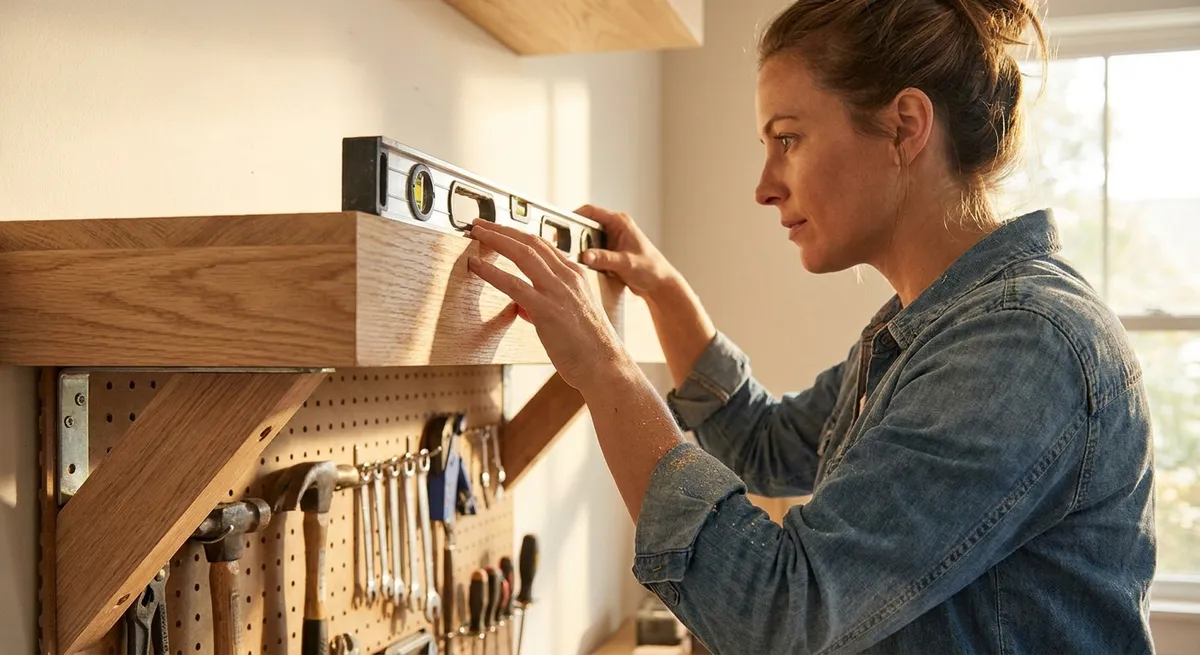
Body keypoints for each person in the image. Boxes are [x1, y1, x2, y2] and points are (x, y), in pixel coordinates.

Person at [466, 0, 1157, 652]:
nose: (765, 185)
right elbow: (766, 444)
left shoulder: (1019, 344)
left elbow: (780, 612)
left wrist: (603, 366)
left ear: (905, 127)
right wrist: (665, 293)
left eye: (788, 139)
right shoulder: (928, 328)